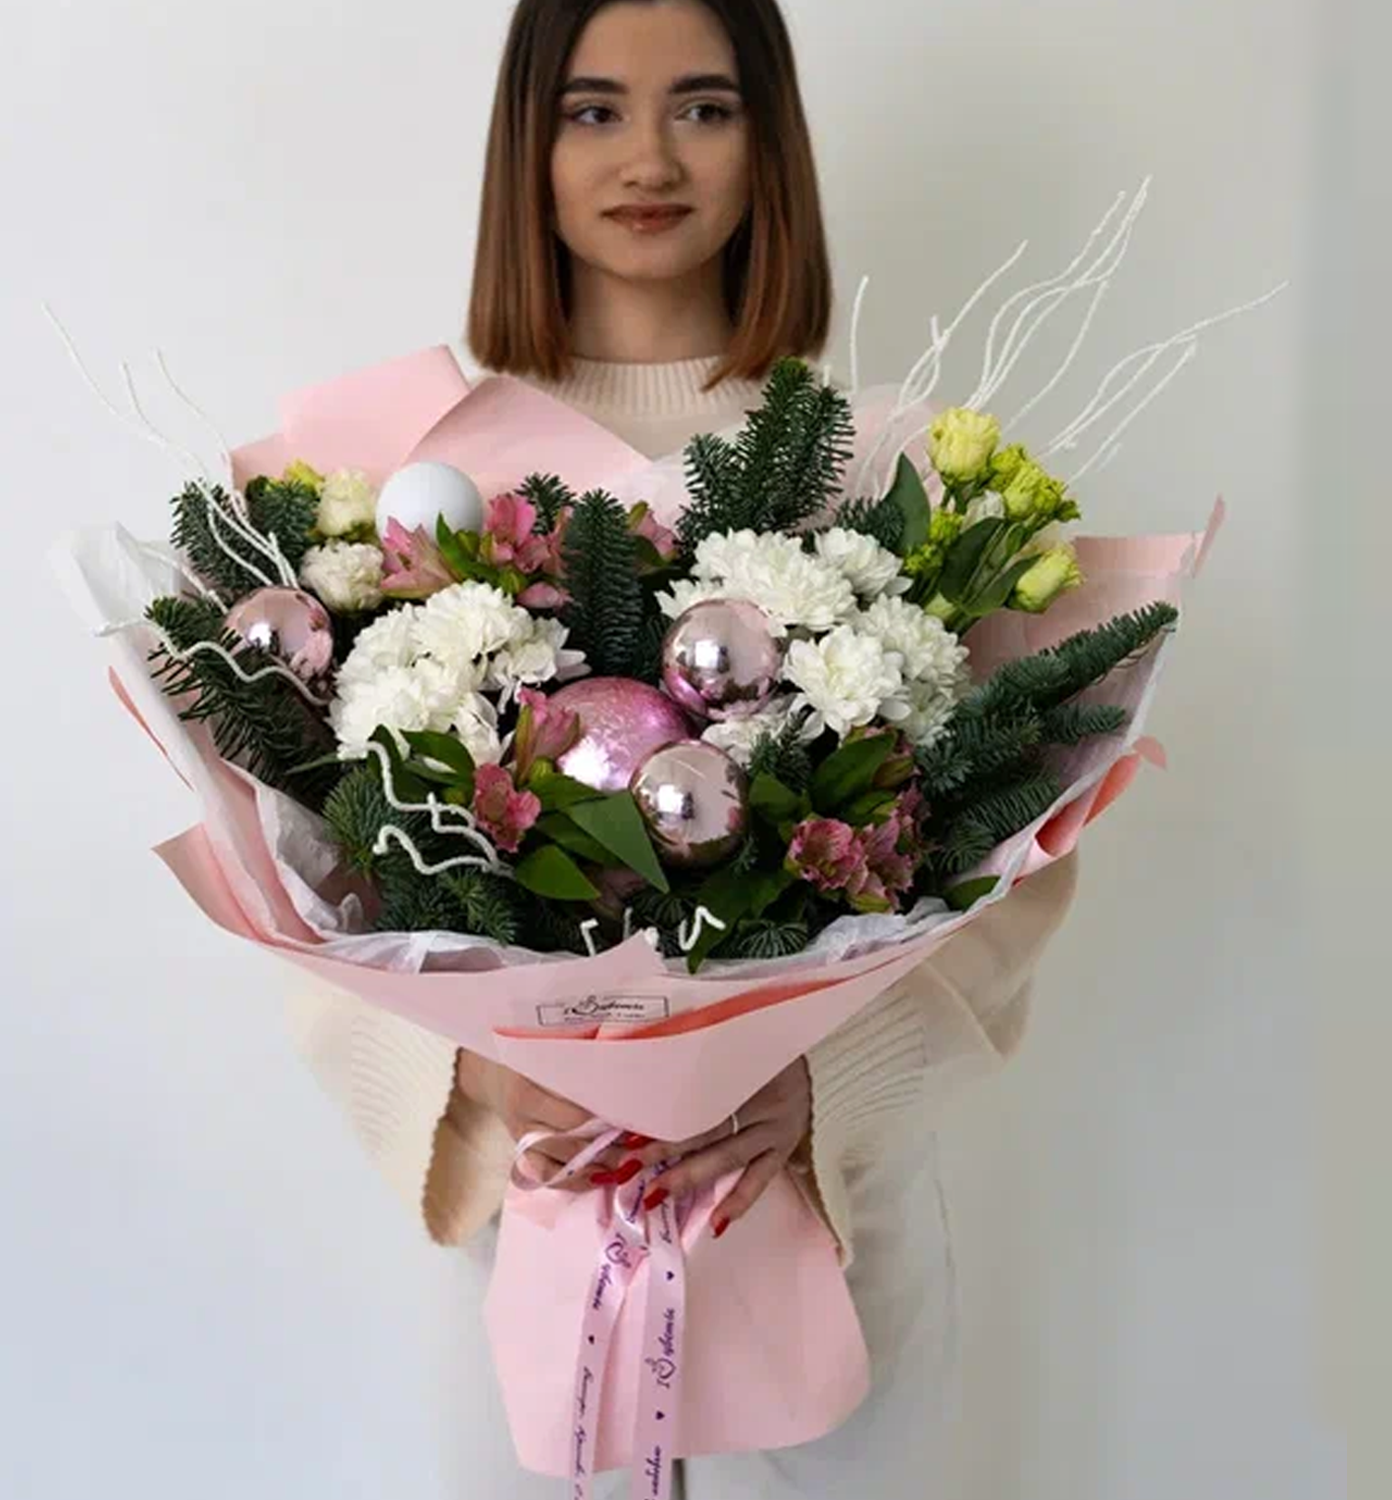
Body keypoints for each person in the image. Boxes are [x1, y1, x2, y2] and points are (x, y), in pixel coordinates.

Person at [286, 2, 1079, 1495]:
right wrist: (480, 1084)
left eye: (704, 108)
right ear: (527, 147)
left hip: (828, 1217)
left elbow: (1016, 853)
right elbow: (307, 862)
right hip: (540, 1219)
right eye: (593, 110)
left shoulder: (887, 466)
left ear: (769, 142)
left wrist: (829, 1080)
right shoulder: (415, 481)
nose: (649, 158)